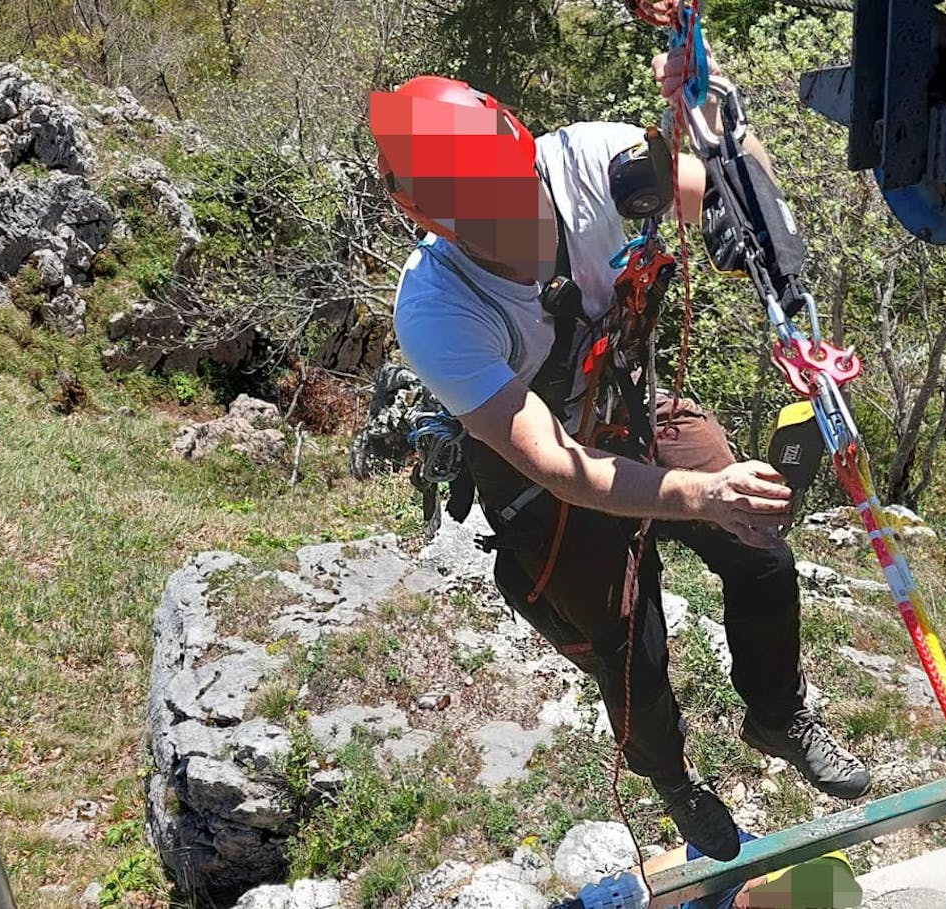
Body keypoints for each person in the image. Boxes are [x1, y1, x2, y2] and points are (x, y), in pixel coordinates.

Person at [367, 45, 870, 862]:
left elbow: (738, 205)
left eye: (517, 190)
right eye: (488, 212)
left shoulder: (593, 162)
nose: (518, 219)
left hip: (627, 402)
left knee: (761, 544)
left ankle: (775, 715)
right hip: (549, 468)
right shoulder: (438, 308)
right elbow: (557, 463)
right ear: (441, 225)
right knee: (625, 639)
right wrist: (699, 495)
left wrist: (720, 129)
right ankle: (671, 777)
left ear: (524, 151)